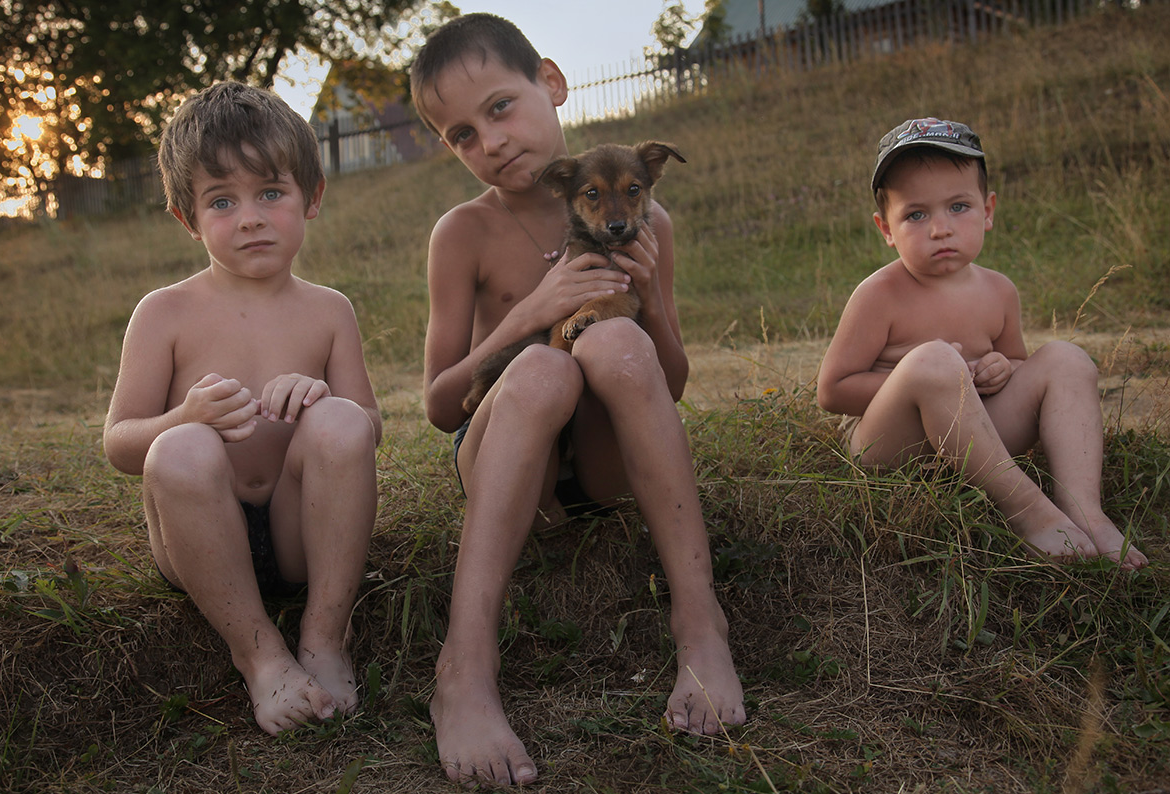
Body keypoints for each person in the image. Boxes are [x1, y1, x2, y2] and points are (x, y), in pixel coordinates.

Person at [409, 12, 746, 787]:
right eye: (462, 134)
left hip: (602, 466)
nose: (489, 141)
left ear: (551, 84)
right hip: (503, 452)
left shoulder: (643, 216)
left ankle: (700, 625)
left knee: (615, 343)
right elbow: (437, 404)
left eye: (499, 107)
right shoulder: (462, 233)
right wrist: (531, 312)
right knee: (543, 372)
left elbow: (669, 383)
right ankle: (464, 665)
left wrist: (652, 303)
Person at [102, 81, 383, 735]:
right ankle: (258, 655)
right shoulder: (164, 313)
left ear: (311, 198)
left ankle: (323, 637)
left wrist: (323, 400)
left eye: (271, 193)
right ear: (187, 218)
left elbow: (369, 427)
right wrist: (183, 418)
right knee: (180, 448)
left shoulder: (328, 311)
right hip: (200, 538)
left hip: (297, 533)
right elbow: (119, 443)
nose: (250, 217)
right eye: (221, 201)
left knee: (341, 420)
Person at [817, 117, 1147, 570]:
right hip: (895, 447)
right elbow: (832, 390)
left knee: (1066, 359)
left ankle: (1085, 511)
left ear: (988, 210)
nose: (940, 229)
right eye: (916, 215)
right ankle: (1028, 513)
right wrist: (927, 375)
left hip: (977, 439)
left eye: (958, 207)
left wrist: (1001, 367)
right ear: (885, 229)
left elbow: (1016, 362)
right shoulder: (879, 294)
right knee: (934, 359)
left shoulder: (998, 291)